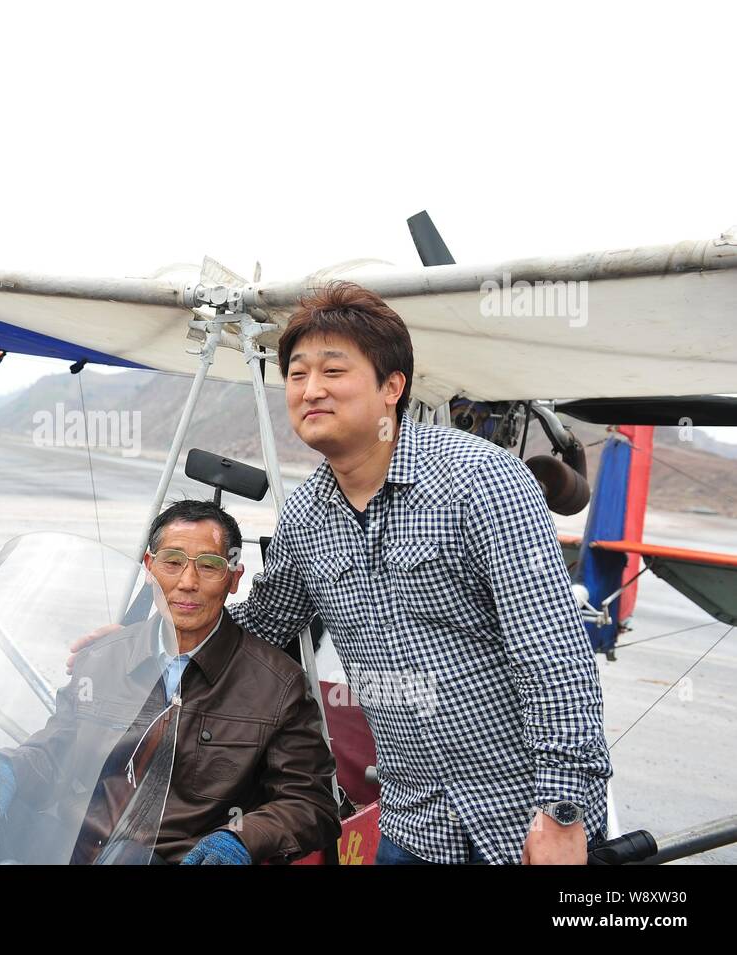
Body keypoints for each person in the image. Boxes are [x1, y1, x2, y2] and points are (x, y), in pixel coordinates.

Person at [72, 281, 613, 865]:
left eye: (334, 371)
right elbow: (260, 624)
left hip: (519, 815)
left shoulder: (480, 480)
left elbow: (554, 654)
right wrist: (149, 643)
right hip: (414, 821)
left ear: (392, 387)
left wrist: (563, 812)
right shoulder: (306, 514)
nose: (311, 390)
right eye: (298, 375)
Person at [0, 500, 340, 864]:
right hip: (75, 845)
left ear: (233, 578)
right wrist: (3, 765)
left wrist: (239, 837)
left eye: (208, 565)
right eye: (172, 562)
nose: (187, 582)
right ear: (149, 568)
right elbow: (58, 748)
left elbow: (310, 802)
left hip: (171, 857)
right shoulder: (102, 658)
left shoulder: (279, 685)